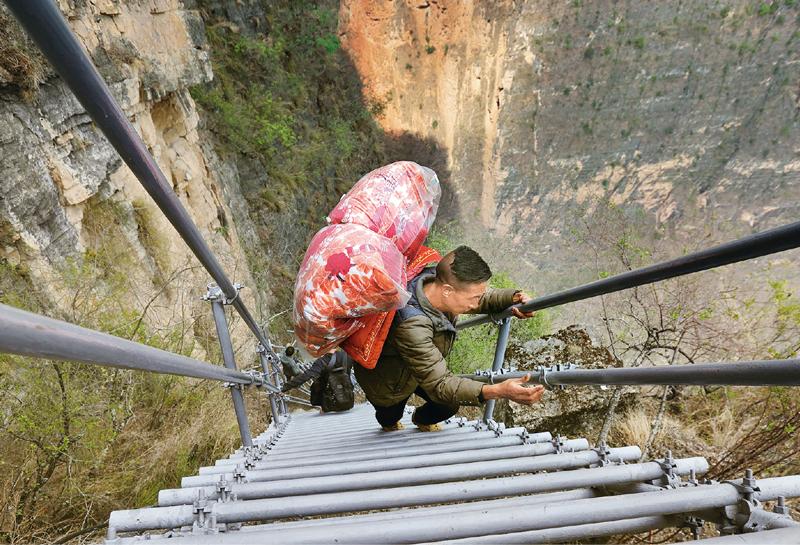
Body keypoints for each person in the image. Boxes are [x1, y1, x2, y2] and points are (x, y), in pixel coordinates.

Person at [353, 245, 545, 432]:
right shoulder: (411, 324)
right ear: (446, 291)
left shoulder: (433, 284)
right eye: (474, 297)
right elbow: (440, 384)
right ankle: (389, 423)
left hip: (423, 367)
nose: (477, 303)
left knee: (448, 405)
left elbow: (481, 298)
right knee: (390, 415)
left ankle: (420, 419)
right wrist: (499, 390)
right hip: (389, 381)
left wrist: (515, 298)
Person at [282, 349, 355, 413]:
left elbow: (305, 376)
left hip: (329, 404)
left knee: (317, 383)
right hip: (348, 400)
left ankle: (323, 409)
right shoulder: (347, 356)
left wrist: (285, 387)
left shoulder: (321, 362)